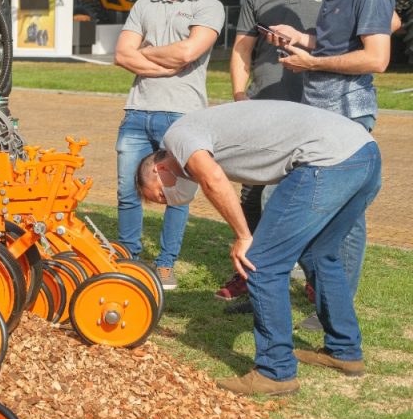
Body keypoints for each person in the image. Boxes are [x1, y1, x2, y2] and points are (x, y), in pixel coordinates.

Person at [136, 100, 380, 396]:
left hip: (326, 160)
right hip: (364, 153)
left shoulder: (178, 137)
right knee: (319, 254)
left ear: (160, 168)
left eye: (161, 194)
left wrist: (243, 236)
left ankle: (275, 371)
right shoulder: (200, 131)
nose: (168, 200)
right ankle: (345, 351)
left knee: (261, 263)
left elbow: (213, 178)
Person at [267, 0, 397, 330]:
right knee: (315, 210)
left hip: (346, 117)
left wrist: (311, 65)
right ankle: (324, 301)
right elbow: (332, 45)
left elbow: (377, 58)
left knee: (346, 219)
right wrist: (300, 42)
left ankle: (335, 309)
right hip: (320, 114)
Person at [215, 0, 329, 308]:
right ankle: (251, 274)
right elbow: (242, 49)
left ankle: (315, 279)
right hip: (265, 110)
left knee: (313, 198)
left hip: (316, 111)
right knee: (252, 193)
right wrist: (238, 97)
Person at [112, 0, 225, 290]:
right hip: (137, 109)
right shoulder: (145, 3)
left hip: (183, 114)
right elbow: (121, 55)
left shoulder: (209, 7)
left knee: (177, 193)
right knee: (127, 189)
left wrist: (145, 53)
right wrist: (165, 60)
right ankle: (129, 258)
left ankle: (165, 264)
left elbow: (187, 54)